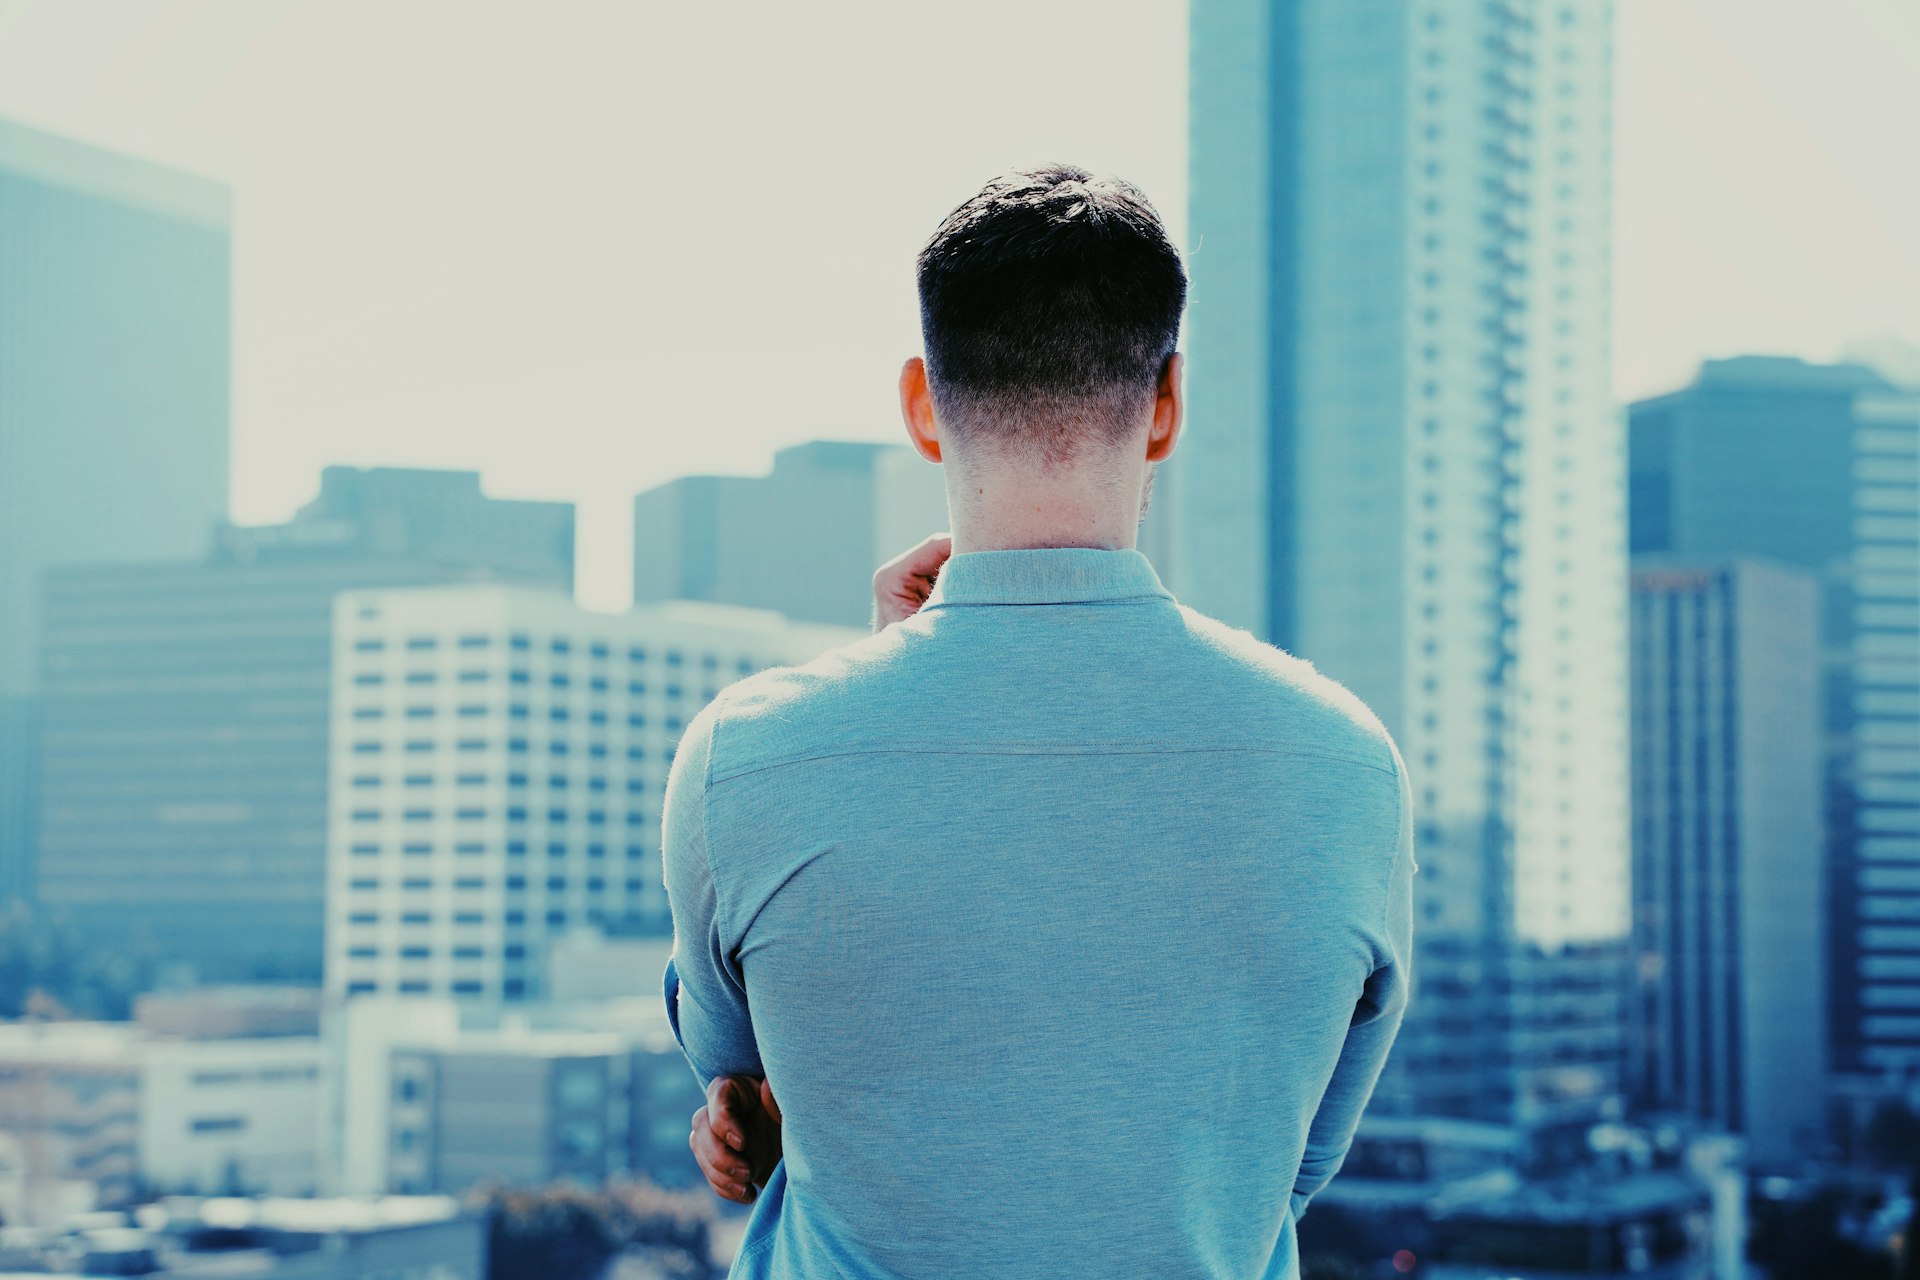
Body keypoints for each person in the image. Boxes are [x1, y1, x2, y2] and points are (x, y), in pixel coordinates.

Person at [662, 163, 1415, 1279]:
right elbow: (1284, 1167)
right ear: (1166, 402)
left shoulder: (745, 759)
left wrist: (883, 683)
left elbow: (752, 1079)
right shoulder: (1346, 764)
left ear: (922, 403)